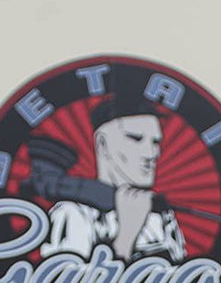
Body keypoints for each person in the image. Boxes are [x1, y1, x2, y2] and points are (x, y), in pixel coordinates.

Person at [42, 96, 187, 263]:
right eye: (136, 138)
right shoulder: (73, 213)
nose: (152, 153)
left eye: (155, 142)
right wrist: (126, 235)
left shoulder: (161, 216)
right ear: (102, 144)